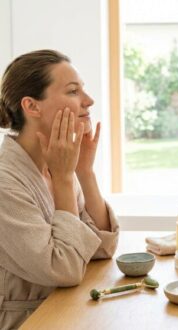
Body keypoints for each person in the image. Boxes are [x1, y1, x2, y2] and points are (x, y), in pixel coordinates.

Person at [0, 49, 119, 329]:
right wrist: (66, 178)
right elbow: (64, 269)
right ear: (32, 106)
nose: (88, 102)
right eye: (73, 91)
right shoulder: (5, 182)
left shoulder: (56, 165)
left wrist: (84, 172)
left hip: (66, 312)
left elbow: (101, 248)